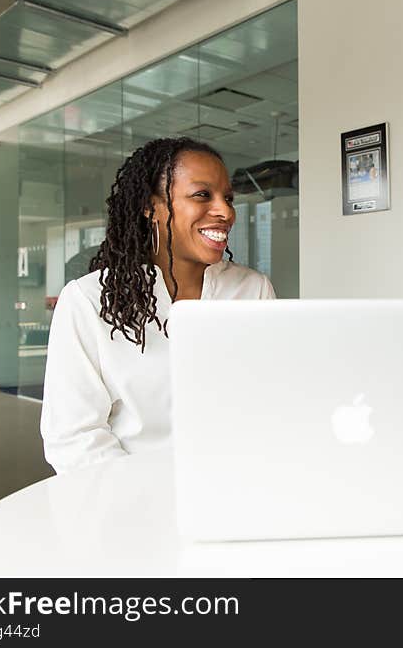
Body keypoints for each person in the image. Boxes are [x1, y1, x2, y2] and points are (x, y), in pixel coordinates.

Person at [41, 137, 275, 474]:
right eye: (202, 195)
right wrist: (148, 496)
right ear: (151, 207)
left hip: (236, 487)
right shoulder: (89, 300)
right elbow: (73, 437)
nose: (225, 211)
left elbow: (268, 404)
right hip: (128, 501)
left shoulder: (252, 290)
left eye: (228, 198)